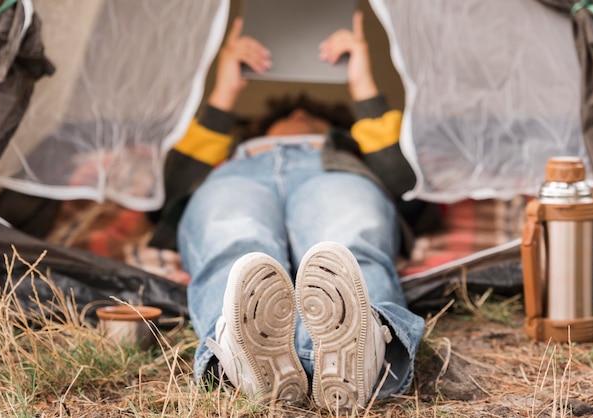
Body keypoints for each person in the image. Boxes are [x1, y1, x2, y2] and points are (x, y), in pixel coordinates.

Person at [148, 11, 438, 411]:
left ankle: (364, 348)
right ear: (265, 125)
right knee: (234, 249)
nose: (299, 115)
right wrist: (224, 92)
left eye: (311, 117)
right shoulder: (230, 152)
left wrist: (363, 85)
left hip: (329, 170)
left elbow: (408, 186)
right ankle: (240, 353)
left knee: (346, 245)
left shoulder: (351, 150)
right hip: (242, 174)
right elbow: (167, 190)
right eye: (288, 116)